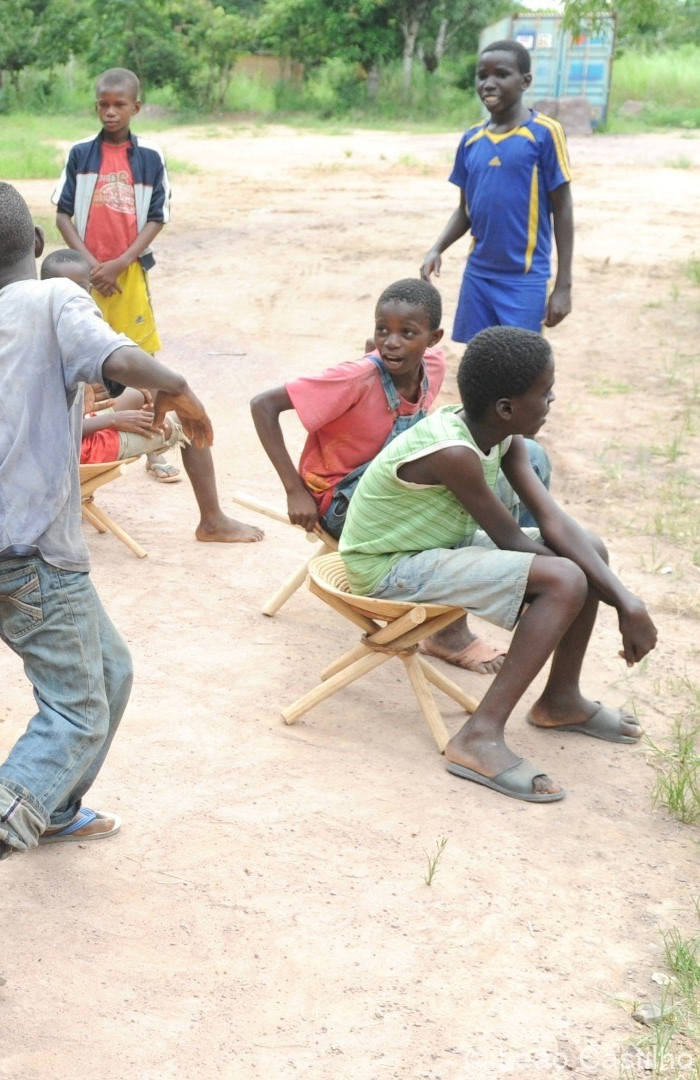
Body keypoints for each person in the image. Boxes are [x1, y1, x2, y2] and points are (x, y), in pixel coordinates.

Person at [0, 181, 210, 980]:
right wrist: (176, 389)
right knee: (73, 712)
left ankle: (54, 808)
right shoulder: (57, 300)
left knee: (110, 671)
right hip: (32, 554)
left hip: (3, 551)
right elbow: (118, 356)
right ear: (36, 244)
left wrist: (103, 414)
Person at [339, 326, 655, 802]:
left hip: (436, 547)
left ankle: (561, 700)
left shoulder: (502, 436)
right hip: (387, 568)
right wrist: (609, 597)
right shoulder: (453, 452)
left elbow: (553, 521)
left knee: (589, 548)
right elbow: (512, 540)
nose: (552, 401)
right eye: (544, 395)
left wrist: (626, 600)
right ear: (506, 407)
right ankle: (478, 736)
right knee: (568, 577)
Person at [249, 278, 517, 673]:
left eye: (406, 333)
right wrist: (294, 490)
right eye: (381, 331)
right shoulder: (354, 378)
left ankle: (478, 592)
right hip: (341, 499)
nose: (390, 343)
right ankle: (448, 631)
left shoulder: (433, 366)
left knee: (492, 472)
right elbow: (263, 406)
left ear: (433, 337)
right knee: (458, 503)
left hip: (391, 489)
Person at [40, 248, 262, 544]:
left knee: (149, 391)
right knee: (186, 420)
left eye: (79, 289)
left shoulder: (42, 327)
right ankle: (212, 520)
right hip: (74, 448)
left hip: (74, 429)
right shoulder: (74, 328)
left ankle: (154, 437)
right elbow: (50, 431)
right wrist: (115, 420)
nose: (73, 296)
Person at [52, 66, 182, 482]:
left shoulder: (149, 158)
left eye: (119, 105)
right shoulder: (80, 154)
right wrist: (90, 265)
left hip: (127, 276)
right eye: (104, 105)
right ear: (96, 107)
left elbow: (157, 218)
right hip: (85, 276)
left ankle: (155, 445)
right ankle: (77, 440)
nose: (111, 112)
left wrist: (121, 262)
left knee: (143, 361)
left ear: (136, 108)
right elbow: (62, 214)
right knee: (79, 356)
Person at [421, 39, 574, 342]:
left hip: (525, 278)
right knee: (479, 363)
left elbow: (563, 208)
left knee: (520, 368)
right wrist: (437, 247)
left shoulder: (544, 133)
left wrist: (563, 285)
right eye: (482, 76)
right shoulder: (471, 140)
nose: (489, 84)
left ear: (525, 81)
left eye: (501, 75)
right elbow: (466, 210)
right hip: (478, 275)